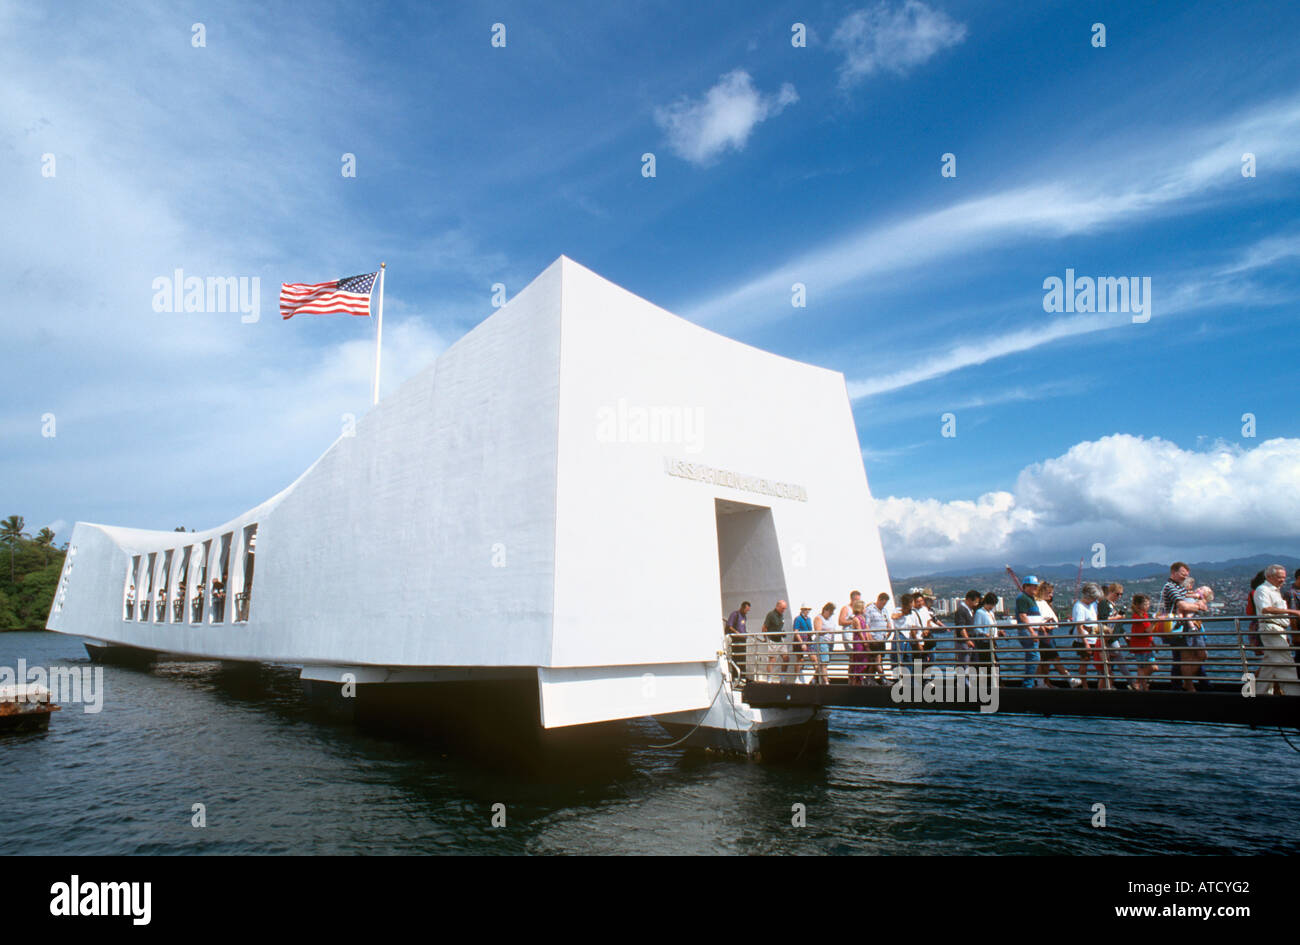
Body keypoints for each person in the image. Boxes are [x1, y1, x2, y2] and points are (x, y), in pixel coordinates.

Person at [1251, 565, 1300, 695]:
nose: (1282, 580)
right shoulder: (1263, 590)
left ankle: (1257, 694)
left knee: (1269, 666)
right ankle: (1295, 694)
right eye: (1279, 577)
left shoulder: (1276, 591)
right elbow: (1265, 609)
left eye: (1284, 578)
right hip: (1271, 629)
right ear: (1269, 577)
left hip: (1279, 630)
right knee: (1286, 664)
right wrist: (1293, 611)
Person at [1161, 561, 1207, 691]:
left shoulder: (1180, 587)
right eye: (1182, 574)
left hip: (1185, 627)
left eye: (1187, 575)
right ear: (1174, 573)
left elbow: (1196, 603)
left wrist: (1197, 604)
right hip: (1179, 627)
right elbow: (1183, 606)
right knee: (1185, 658)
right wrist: (1198, 606)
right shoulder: (1170, 587)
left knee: (1191, 657)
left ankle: (1185, 685)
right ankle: (1187, 685)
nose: (1185, 577)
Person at [1035, 582, 1079, 687]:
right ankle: (1069, 679)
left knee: (1046, 660)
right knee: (1053, 658)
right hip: (1044, 635)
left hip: (1048, 635)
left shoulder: (1044, 603)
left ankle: (1045, 683)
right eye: (1049, 593)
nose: (1051, 595)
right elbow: (1038, 621)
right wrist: (1048, 625)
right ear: (1043, 592)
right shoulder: (1038, 603)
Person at [1072, 583, 1111, 689]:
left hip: (1094, 638)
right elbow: (1079, 626)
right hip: (1084, 640)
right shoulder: (1079, 607)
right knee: (1084, 662)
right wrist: (1086, 643)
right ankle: (1084, 686)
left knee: (1103, 662)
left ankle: (1103, 685)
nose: (1095, 600)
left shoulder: (1093, 605)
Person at [1014, 575, 1044, 688]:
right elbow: (1023, 616)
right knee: (1034, 657)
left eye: (1036, 586)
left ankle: (1029, 683)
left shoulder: (1031, 598)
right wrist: (1032, 631)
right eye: (1033, 586)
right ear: (1026, 586)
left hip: (1033, 630)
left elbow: (1032, 615)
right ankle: (1028, 684)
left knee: (1033, 657)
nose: (1036, 588)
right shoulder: (1022, 598)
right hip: (1027, 632)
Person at [1127, 594, 1158, 691]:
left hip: (1145, 646)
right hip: (1140, 647)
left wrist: (1152, 642)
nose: (1148, 606)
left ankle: (1141, 686)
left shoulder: (1144, 615)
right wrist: (1154, 622)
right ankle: (1139, 684)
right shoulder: (1137, 617)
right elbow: (1147, 630)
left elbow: (1146, 632)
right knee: (1148, 668)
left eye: (1148, 604)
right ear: (1138, 605)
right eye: (1145, 604)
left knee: (1144, 668)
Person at [1098, 582, 1127, 687]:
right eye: (1117, 594)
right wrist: (1118, 617)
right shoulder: (1104, 604)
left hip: (1113, 637)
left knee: (1111, 663)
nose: (1119, 596)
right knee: (1119, 659)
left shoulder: (1112, 605)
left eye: (1121, 594)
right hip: (1108, 637)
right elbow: (1103, 619)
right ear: (1111, 592)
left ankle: (1108, 684)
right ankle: (1133, 682)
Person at [862, 593, 892, 683]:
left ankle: (870, 678)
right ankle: (883, 679)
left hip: (882, 638)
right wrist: (869, 638)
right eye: (882, 603)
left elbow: (888, 622)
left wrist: (888, 632)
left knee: (875, 661)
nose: (883, 605)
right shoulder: (870, 610)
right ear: (879, 600)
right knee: (877, 660)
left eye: (885, 603)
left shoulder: (885, 610)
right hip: (874, 639)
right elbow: (866, 624)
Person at [972, 592, 1001, 674]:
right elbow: (976, 628)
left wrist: (998, 632)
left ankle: (994, 682)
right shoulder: (980, 612)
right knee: (989, 665)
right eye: (992, 604)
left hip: (992, 642)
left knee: (994, 664)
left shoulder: (991, 613)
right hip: (985, 643)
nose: (992, 607)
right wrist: (985, 634)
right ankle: (991, 683)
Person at [762, 600, 789, 682]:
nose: (783, 610)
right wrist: (765, 638)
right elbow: (764, 627)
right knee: (772, 660)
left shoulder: (781, 615)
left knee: (786, 658)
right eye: (782, 608)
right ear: (778, 606)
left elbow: (779, 627)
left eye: (785, 609)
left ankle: (782, 676)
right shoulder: (771, 615)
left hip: (780, 640)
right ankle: (769, 678)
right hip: (773, 640)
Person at [953, 590, 980, 667]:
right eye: (975, 602)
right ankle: (964, 679)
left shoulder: (969, 610)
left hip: (970, 641)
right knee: (964, 665)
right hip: (964, 642)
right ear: (968, 600)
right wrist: (967, 640)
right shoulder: (961, 610)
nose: (976, 604)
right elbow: (961, 627)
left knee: (971, 665)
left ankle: (969, 679)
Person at [726, 601, 751, 680]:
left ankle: (742, 676)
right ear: (742, 608)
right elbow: (729, 626)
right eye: (746, 610)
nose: (747, 612)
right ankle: (736, 676)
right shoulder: (735, 614)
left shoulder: (744, 616)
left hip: (743, 640)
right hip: (736, 640)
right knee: (736, 658)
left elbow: (742, 626)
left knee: (742, 658)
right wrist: (736, 632)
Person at [812, 603, 836, 685]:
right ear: (826, 610)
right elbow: (818, 631)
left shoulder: (830, 619)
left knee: (824, 663)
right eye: (830, 612)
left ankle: (814, 679)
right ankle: (826, 682)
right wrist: (827, 631)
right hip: (822, 641)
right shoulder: (819, 618)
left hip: (830, 642)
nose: (831, 614)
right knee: (824, 663)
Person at [792, 604, 816, 683]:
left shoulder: (809, 619)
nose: (808, 611)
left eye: (808, 609)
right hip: (800, 639)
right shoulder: (798, 619)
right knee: (800, 659)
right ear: (802, 610)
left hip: (808, 639)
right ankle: (797, 678)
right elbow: (796, 632)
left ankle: (815, 678)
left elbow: (809, 630)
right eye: (806, 609)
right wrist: (802, 643)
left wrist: (812, 633)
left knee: (814, 658)